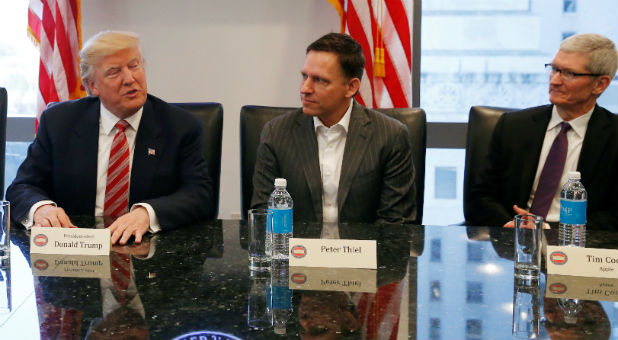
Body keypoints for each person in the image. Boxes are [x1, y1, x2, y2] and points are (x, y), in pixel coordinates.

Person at [6, 31, 214, 244]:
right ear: (93, 85)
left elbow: (199, 194)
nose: (130, 79)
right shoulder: (59, 122)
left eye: (134, 66)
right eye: (114, 72)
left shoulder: (179, 126)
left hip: (147, 251)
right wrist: (41, 209)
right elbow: (22, 187)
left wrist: (147, 214)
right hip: (76, 250)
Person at [250, 32, 416, 224]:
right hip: (296, 252)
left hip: (363, 252)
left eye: (320, 80)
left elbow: (395, 224)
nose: (305, 88)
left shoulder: (390, 136)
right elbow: (264, 215)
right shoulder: (276, 132)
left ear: (351, 87)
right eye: (305, 76)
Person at [469, 33, 618, 230]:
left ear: (600, 84)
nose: (555, 81)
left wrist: (553, 232)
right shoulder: (513, 126)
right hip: (514, 239)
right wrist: (511, 225)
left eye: (569, 73)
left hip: (581, 246)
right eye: (554, 69)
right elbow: (481, 195)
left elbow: (614, 214)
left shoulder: (613, 135)